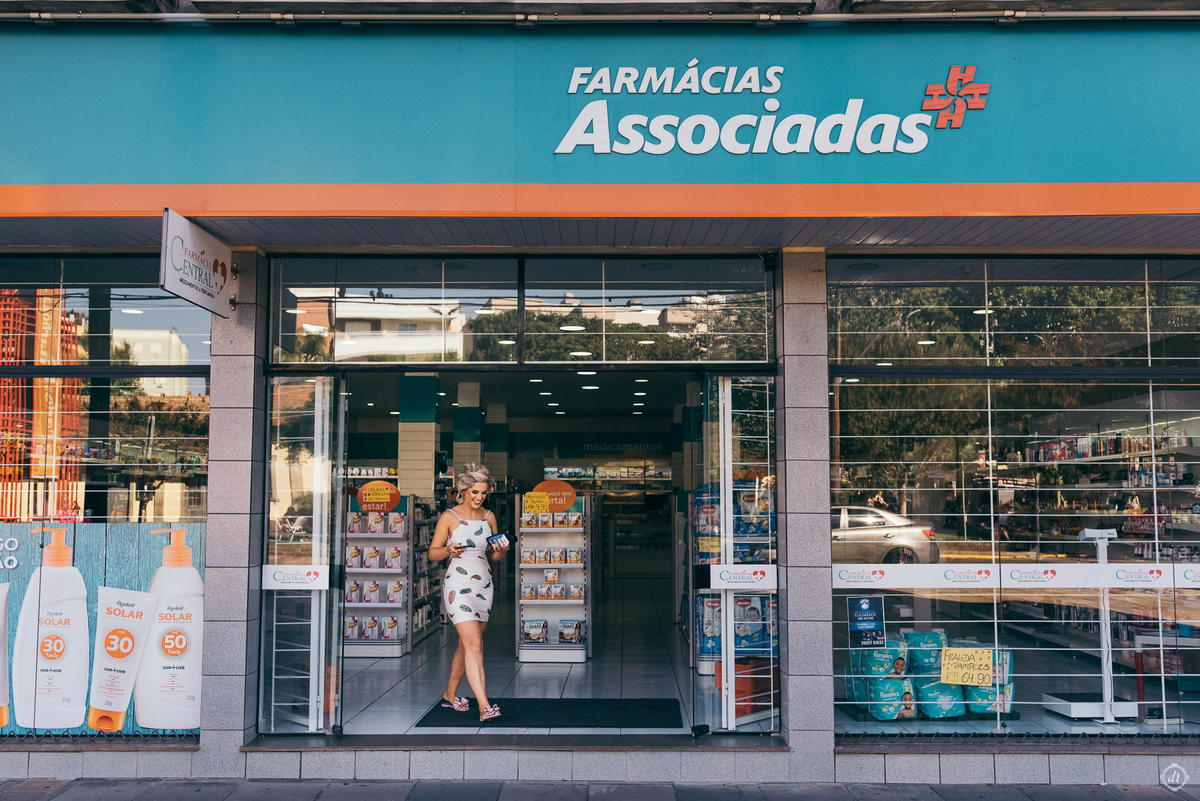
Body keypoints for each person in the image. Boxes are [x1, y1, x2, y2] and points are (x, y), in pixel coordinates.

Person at [430, 463, 509, 722]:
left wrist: (501, 551)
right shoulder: (449, 517)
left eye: (484, 493)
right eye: (475, 492)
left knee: (467, 645)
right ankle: (484, 706)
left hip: (483, 586)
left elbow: (493, 556)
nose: (479, 497)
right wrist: (447, 550)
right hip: (457, 586)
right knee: (475, 643)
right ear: (463, 491)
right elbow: (433, 553)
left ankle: (449, 695)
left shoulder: (489, 517)